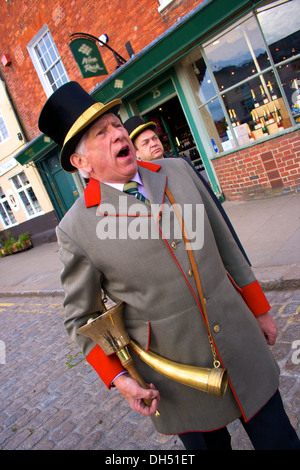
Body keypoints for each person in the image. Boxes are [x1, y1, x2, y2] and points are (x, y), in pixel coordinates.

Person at [38, 82, 299, 450]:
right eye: (101, 133)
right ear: (81, 163)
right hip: (176, 376)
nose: (117, 134)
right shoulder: (76, 229)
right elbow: (80, 320)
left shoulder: (177, 170)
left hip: (240, 342)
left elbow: (226, 245)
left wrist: (260, 310)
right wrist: (118, 378)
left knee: (281, 440)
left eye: (115, 124)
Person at [123, 115, 250, 264]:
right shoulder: (137, 185)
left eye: (155, 138)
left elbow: (210, 203)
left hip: (206, 244)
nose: (153, 143)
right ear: (136, 152)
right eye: (146, 143)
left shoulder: (182, 164)